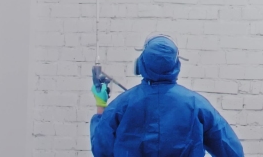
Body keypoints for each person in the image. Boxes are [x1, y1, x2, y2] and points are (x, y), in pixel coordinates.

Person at [90, 34, 244, 157]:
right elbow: (233, 152)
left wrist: (101, 105)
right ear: (176, 64)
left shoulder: (122, 105)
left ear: (141, 62)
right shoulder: (196, 104)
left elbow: (101, 149)